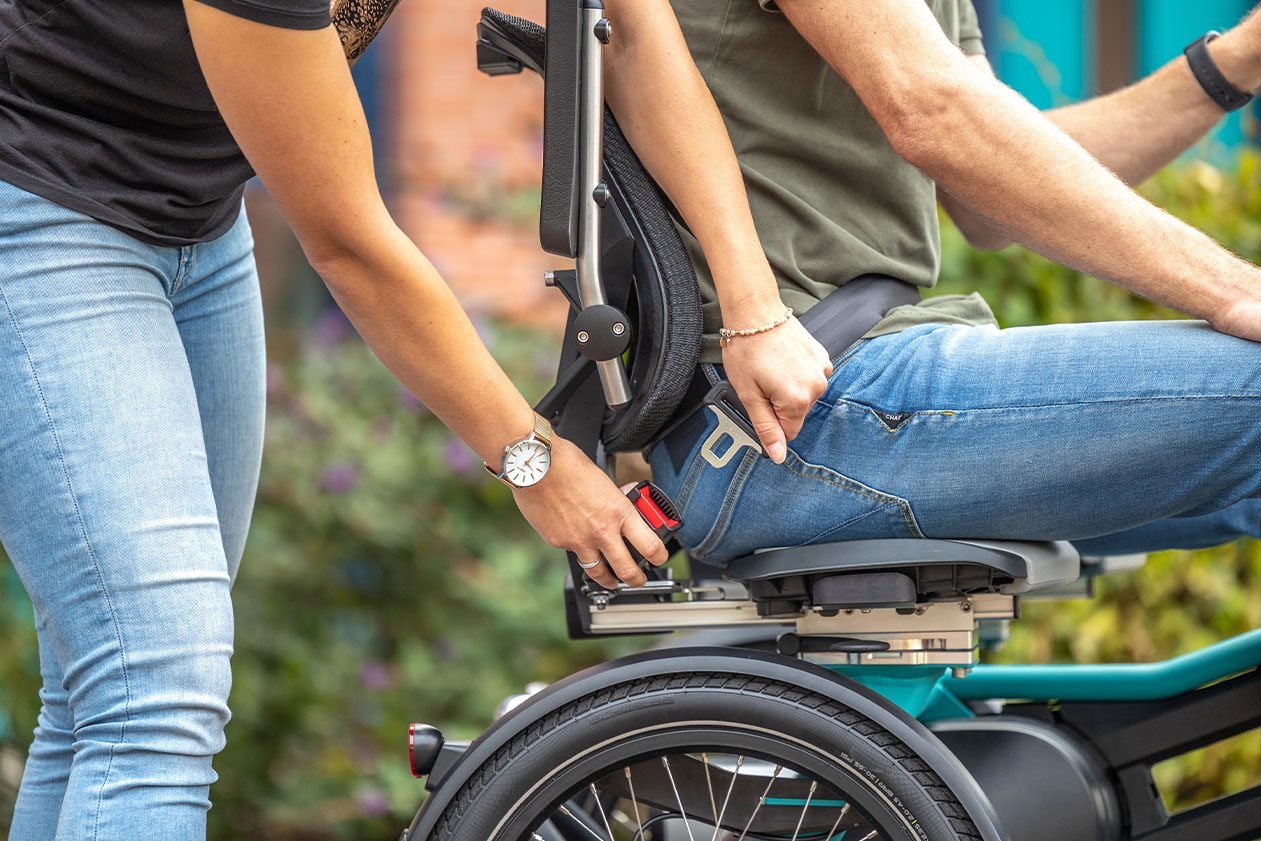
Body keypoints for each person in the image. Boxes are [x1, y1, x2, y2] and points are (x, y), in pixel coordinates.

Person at [0, 0, 795, 836]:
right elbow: (348, 243)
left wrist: (752, 306)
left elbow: (632, 30)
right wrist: (532, 457)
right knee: (154, 694)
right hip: (41, 215)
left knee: (105, 693)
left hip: (197, 211)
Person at [647, 0, 1261, 566]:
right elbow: (938, 115)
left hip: (841, 387)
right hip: (790, 407)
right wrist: (1234, 290)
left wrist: (1238, 59)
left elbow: (994, 183)